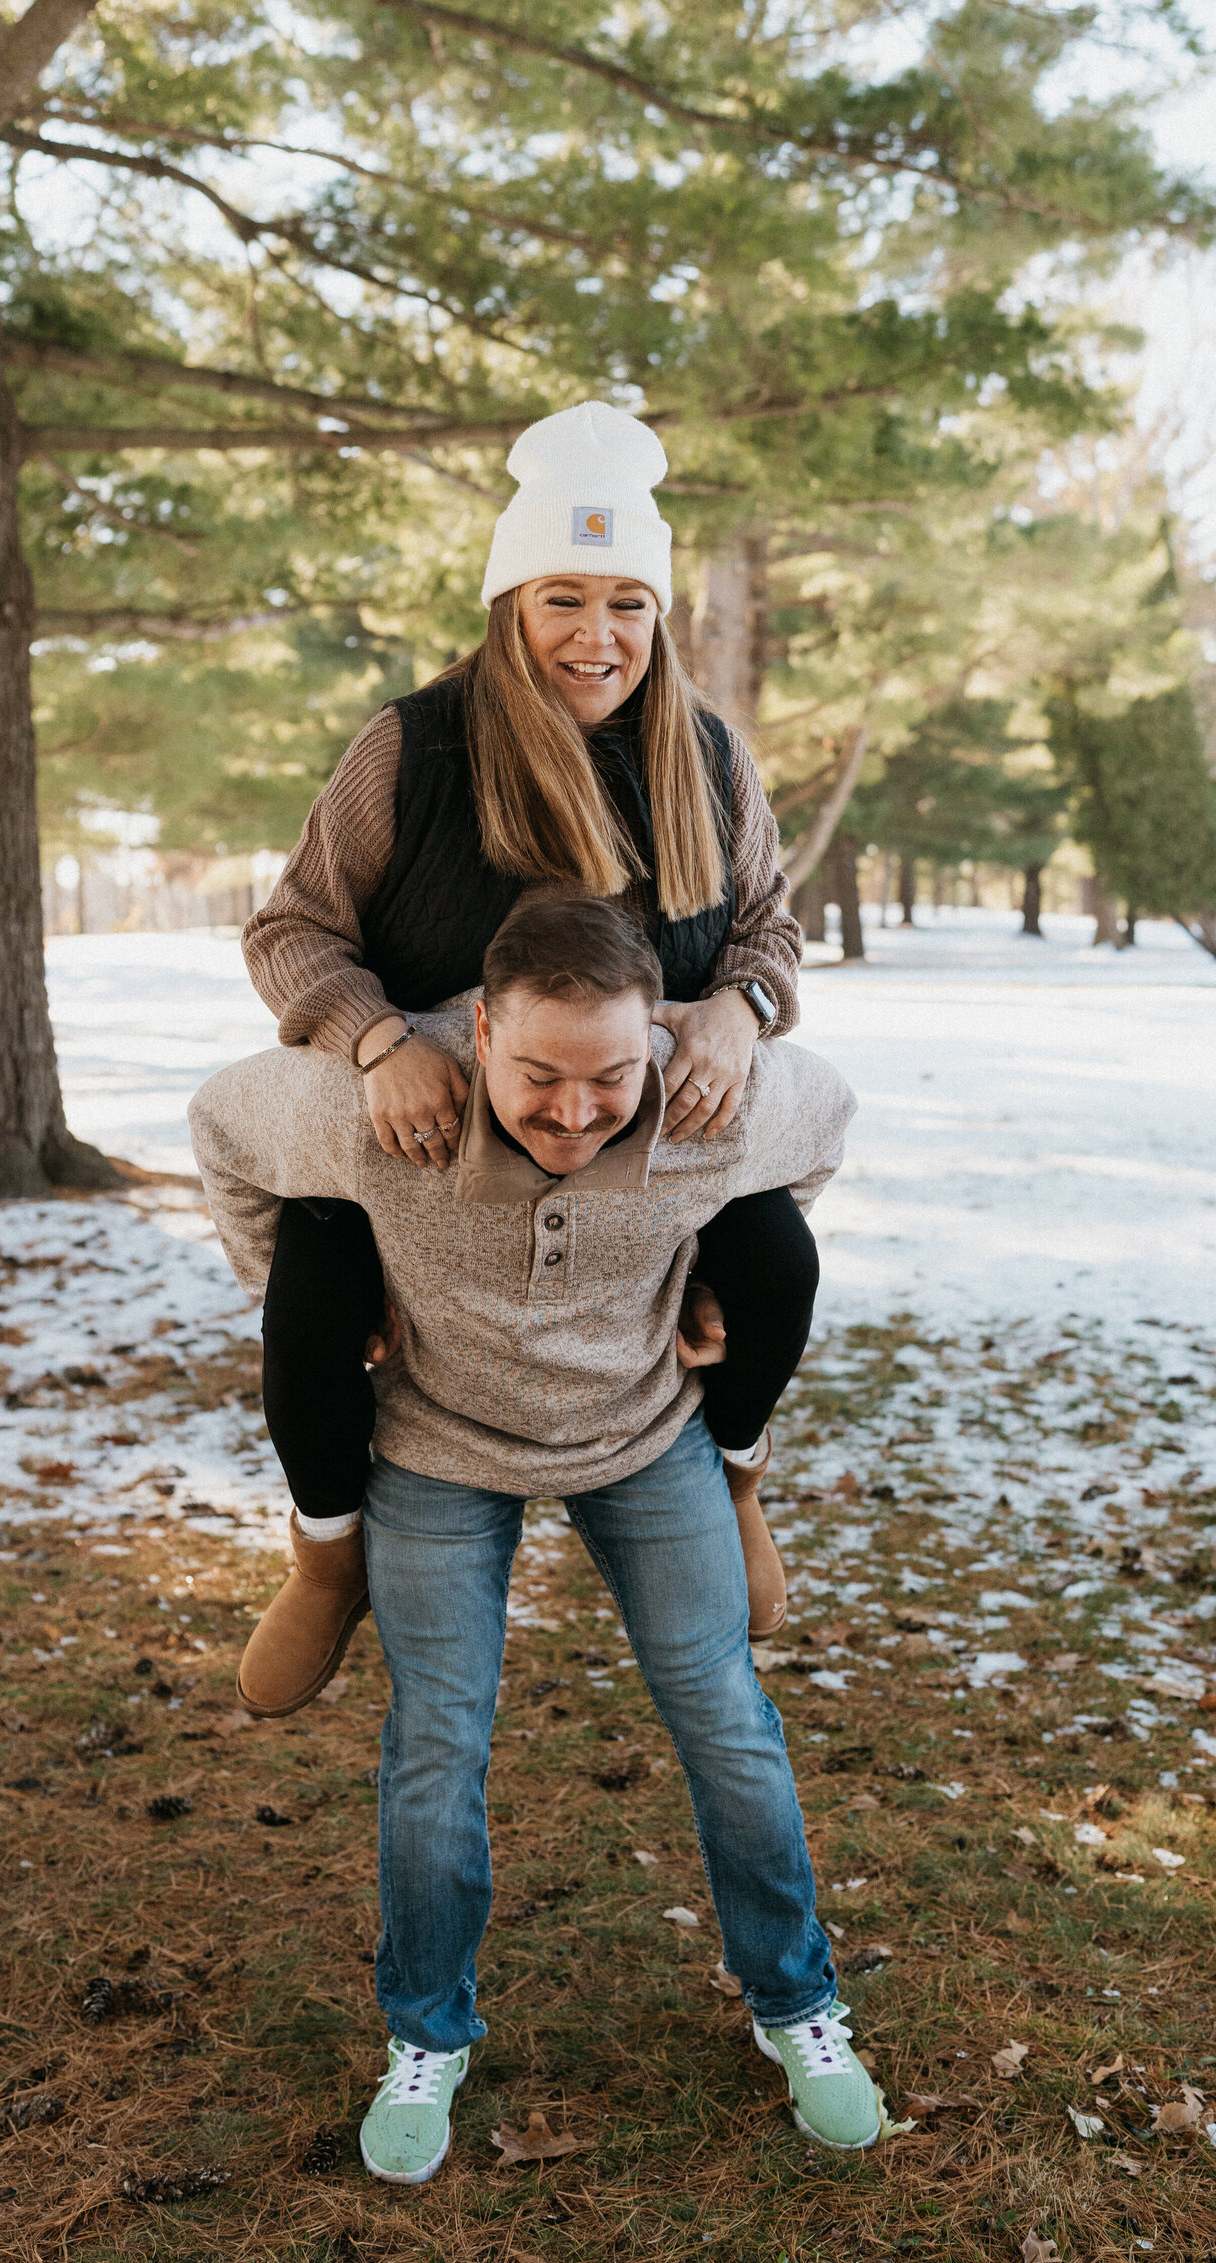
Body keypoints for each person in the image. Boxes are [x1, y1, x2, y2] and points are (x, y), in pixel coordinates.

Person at [188, 890, 886, 2179]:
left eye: (612, 1076)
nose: (574, 1112)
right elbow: (221, 1129)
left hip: (641, 1434)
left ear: (661, 1046)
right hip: (440, 1445)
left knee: (722, 1708)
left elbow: (828, 1117)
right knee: (437, 1739)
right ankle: (426, 2032)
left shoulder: (709, 1102)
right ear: (475, 1031)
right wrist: (299, 1305)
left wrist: (724, 1275)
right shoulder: (377, 1109)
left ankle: (799, 2005)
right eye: (539, 1076)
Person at [238, 400, 815, 1700]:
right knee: (313, 1290)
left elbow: (770, 931)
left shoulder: (708, 760)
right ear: (510, 604)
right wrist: (379, 1041)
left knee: (775, 1257)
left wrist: (738, 1010)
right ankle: (327, 1555)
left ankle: (736, 1483)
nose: (597, 637)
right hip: (431, 1153)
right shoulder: (415, 746)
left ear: (661, 618)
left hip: (637, 1152)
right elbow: (291, 932)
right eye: (564, 597)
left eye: (629, 604)